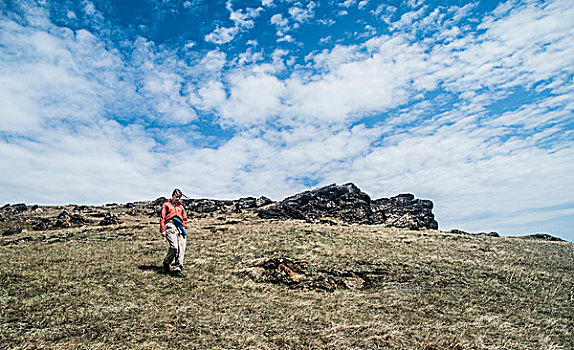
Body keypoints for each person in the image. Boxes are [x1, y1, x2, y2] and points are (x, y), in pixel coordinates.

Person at [160, 189, 188, 278]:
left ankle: (177, 269)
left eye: (179, 197)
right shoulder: (166, 205)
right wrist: (163, 230)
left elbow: (184, 218)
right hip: (170, 225)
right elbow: (162, 218)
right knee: (174, 247)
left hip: (180, 227)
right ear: (172, 196)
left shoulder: (181, 207)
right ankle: (166, 262)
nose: (177, 199)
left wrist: (184, 227)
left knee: (181, 248)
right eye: (176, 197)